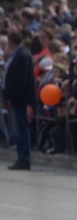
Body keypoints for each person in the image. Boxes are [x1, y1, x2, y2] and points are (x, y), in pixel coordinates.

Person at [2, 31, 36, 170]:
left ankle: (24, 159)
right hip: (14, 98)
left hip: (20, 99)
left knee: (21, 129)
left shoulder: (22, 55)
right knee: (17, 130)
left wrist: (12, 98)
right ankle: (21, 157)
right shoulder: (16, 54)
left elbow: (20, 81)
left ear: (11, 41)